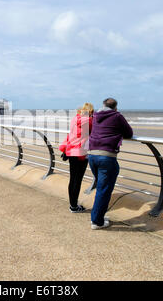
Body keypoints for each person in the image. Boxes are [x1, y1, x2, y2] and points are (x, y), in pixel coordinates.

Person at [88, 98, 133, 229]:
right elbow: (129, 133)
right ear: (115, 107)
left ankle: (97, 217)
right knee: (104, 189)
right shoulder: (116, 116)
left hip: (92, 155)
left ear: (103, 105)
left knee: (101, 188)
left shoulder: (95, 115)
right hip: (106, 156)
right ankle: (97, 222)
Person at [59, 103, 94, 213]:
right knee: (77, 180)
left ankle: (72, 204)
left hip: (71, 151)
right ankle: (74, 207)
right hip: (81, 154)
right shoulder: (89, 121)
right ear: (90, 112)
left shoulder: (75, 119)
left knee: (72, 179)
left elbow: (71, 134)